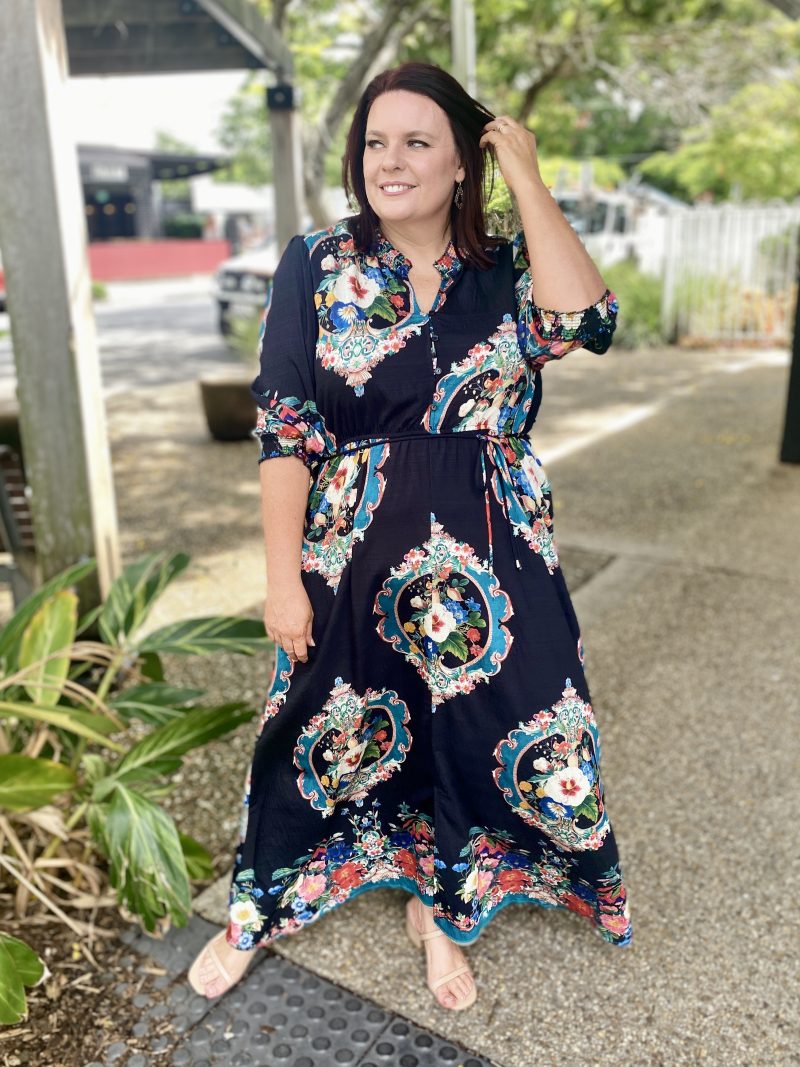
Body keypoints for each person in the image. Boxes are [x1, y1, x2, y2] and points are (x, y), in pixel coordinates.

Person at [188, 60, 632, 1012]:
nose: (389, 161)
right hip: (353, 554)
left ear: (463, 161)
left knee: (480, 733)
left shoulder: (508, 266)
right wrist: (282, 580)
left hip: (500, 555)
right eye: (375, 143)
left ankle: (442, 907)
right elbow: (284, 432)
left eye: (417, 142)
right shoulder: (316, 262)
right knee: (313, 730)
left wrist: (526, 175)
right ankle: (258, 908)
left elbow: (584, 321)